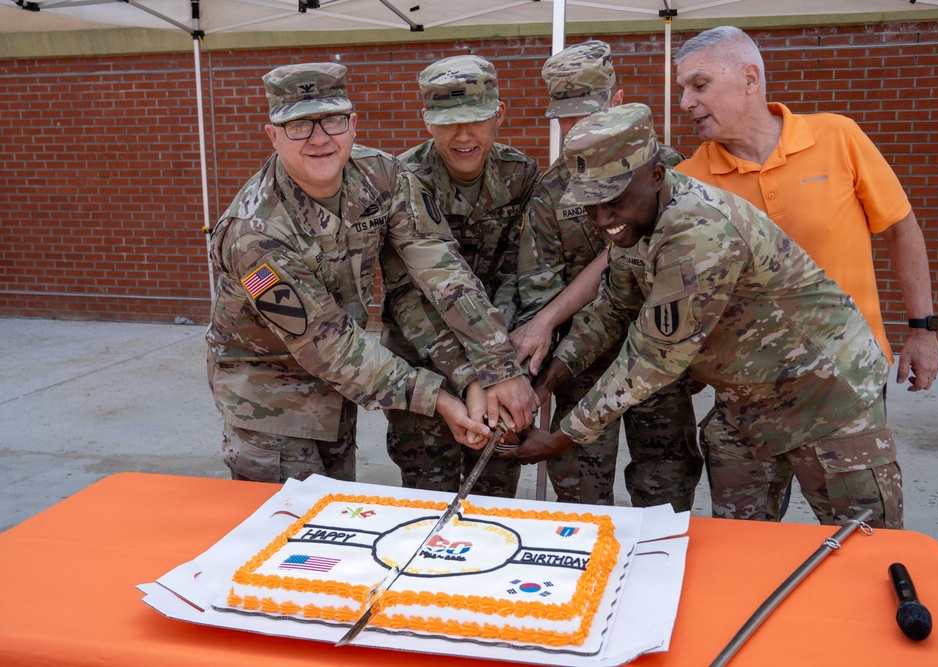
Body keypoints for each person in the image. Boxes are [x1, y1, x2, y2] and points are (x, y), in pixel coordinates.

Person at [506, 103, 903, 529]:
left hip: (825, 398)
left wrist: (565, 437)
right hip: (745, 407)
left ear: (656, 176)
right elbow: (611, 309)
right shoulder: (637, 226)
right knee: (740, 549)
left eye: (614, 200)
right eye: (590, 205)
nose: (603, 220)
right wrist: (544, 384)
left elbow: (654, 358)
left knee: (869, 552)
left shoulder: (699, 233)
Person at [206, 62, 535, 484]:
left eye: (333, 120)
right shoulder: (254, 234)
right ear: (272, 135)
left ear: (353, 123)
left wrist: (491, 370)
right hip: (272, 409)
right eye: (298, 126)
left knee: (337, 520)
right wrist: (441, 399)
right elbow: (329, 346)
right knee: (293, 542)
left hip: (340, 394)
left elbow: (437, 271)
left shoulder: (382, 178)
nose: (320, 139)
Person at [673, 26, 938, 393]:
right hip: (750, 382)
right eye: (683, 90)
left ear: (750, 79)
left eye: (699, 85)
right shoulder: (689, 180)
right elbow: (624, 258)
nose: (685, 102)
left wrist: (922, 328)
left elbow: (900, 229)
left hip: (850, 369)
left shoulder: (838, 137)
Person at [513, 40, 701, 508]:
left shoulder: (667, 171)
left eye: (588, 113)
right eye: (567, 118)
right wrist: (547, 369)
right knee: (580, 501)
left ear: (617, 101)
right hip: (581, 367)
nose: (577, 129)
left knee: (665, 493)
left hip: (660, 359)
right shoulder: (551, 193)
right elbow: (540, 287)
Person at [379, 55, 540, 496]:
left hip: (501, 358)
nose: (463, 135)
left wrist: (498, 368)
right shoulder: (401, 181)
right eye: (448, 122)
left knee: (496, 494)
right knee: (427, 497)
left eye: (476, 119)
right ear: (427, 122)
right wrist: (476, 375)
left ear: (499, 115)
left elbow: (520, 274)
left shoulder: (521, 174)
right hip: (425, 361)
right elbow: (406, 296)